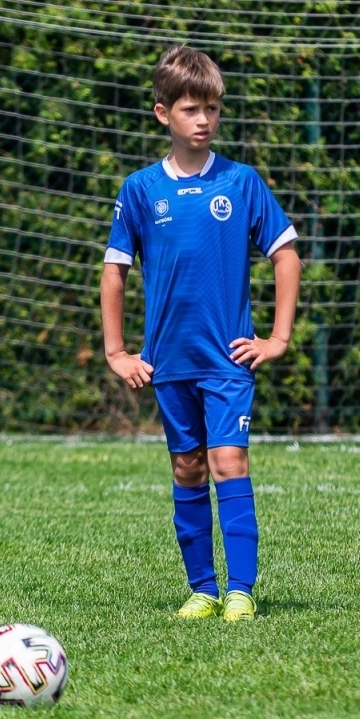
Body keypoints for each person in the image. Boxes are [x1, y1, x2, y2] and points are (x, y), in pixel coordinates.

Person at [101, 46, 300, 622]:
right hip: (168, 361)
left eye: (212, 108)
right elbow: (114, 270)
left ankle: (241, 590)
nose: (204, 119)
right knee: (187, 468)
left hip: (227, 359)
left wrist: (278, 339)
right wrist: (117, 351)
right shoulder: (141, 189)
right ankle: (203, 590)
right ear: (163, 113)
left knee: (228, 461)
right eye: (191, 109)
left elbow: (286, 256)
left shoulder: (241, 182)